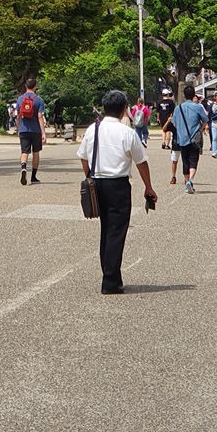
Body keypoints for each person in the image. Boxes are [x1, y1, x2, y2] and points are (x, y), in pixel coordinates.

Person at [78, 90, 158, 295]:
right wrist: (148, 187)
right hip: (118, 186)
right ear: (124, 110)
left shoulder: (92, 130)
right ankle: (110, 281)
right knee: (116, 231)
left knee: (106, 230)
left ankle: (110, 273)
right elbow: (141, 162)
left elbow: (83, 156)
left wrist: (89, 176)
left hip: (97, 182)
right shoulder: (127, 133)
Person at [165, 84, 207, 192]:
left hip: (182, 138)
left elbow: (173, 123)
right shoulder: (198, 107)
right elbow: (205, 120)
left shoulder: (178, 108)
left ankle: (186, 179)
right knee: (193, 159)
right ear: (193, 95)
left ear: (184, 95)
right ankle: (190, 181)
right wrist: (200, 129)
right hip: (194, 138)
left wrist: (181, 129)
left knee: (185, 160)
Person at [15, 77, 46, 185]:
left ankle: (23, 167)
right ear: (35, 86)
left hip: (24, 129)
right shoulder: (39, 100)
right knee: (36, 152)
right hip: (35, 130)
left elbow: (18, 116)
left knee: (24, 151)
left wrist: (18, 128)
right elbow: (40, 116)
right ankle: (33, 176)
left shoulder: (20, 99)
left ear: (25, 86)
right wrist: (43, 133)